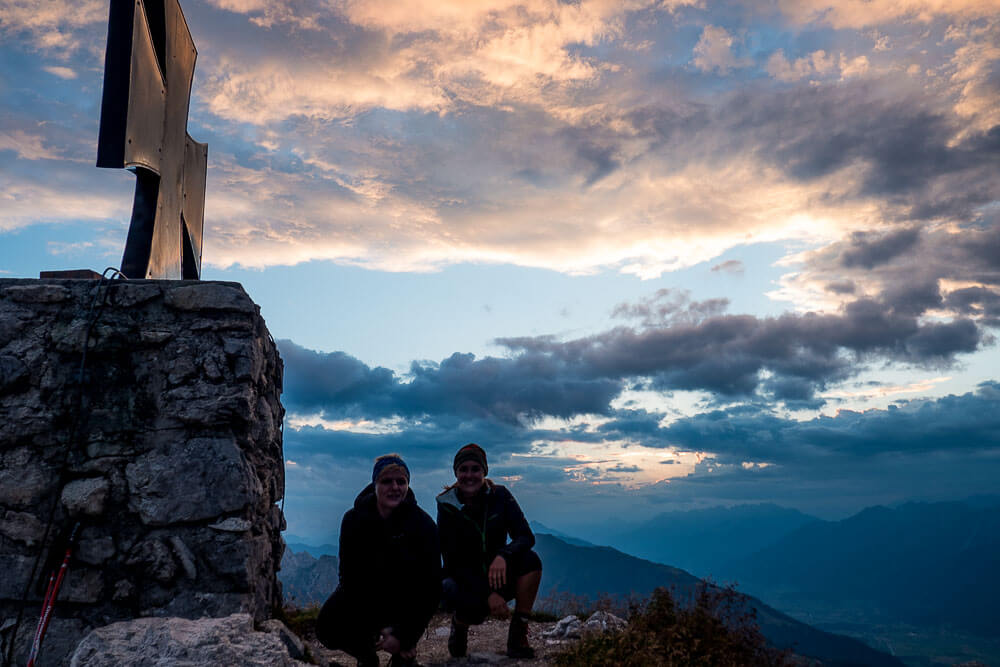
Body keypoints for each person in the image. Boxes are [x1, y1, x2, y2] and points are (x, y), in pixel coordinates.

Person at [316, 454, 440, 667]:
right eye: (386, 481)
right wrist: (374, 629)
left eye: (401, 481)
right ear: (375, 484)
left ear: (408, 485)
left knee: (412, 616)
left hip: (406, 600)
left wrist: (404, 636)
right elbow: (350, 579)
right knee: (327, 627)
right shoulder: (354, 520)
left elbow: (431, 588)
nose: (395, 487)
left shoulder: (423, 525)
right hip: (367, 597)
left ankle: (403, 654)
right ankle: (366, 655)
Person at [436, 443, 543, 659]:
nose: (469, 475)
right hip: (464, 579)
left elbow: (525, 536)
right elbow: (452, 562)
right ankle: (460, 624)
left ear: (485, 471)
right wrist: (489, 595)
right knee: (470, 609)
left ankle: (518, 635)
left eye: (475, 469)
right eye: (463, 469)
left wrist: (504, 554)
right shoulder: (447, 507)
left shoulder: (500, 496)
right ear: (455, 473)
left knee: (531, 561)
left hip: (497, 573)